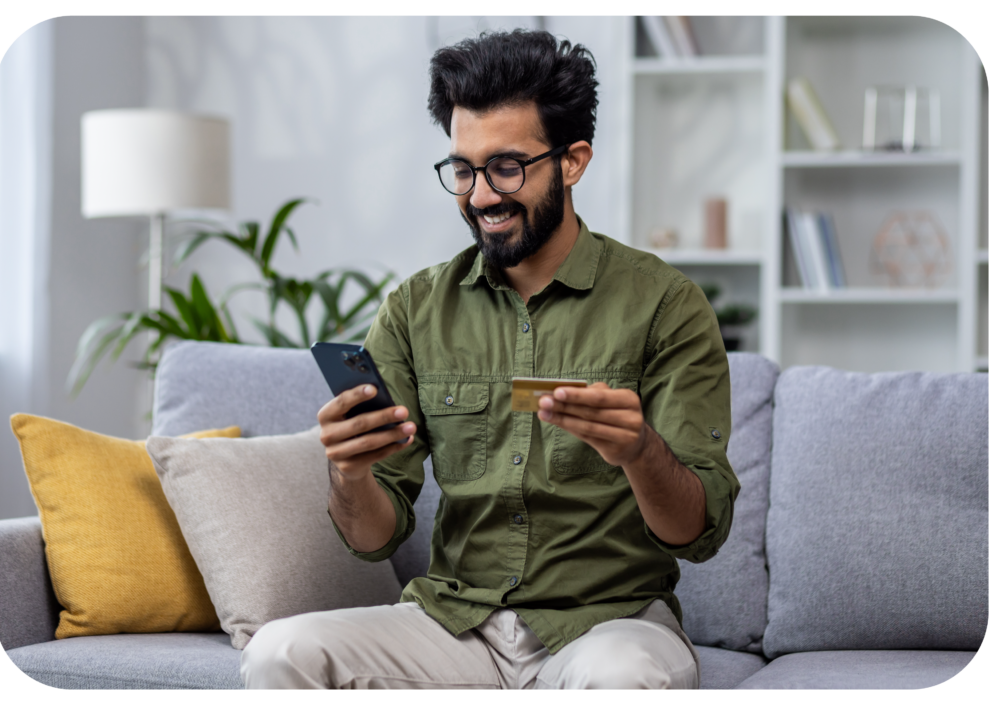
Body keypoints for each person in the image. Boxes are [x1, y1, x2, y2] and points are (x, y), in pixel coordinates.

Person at [241, 29, 737, 690]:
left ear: (573, 161)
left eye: (506, 167)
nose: (479, 196)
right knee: (282, 650)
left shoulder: (665, 305)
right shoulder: (416, 309)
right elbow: (372, 538)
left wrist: (640, 451)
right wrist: (350, 475)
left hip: (608, 623)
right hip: (455, 624)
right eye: (464, 169)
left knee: (619, 675)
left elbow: (698, 533)